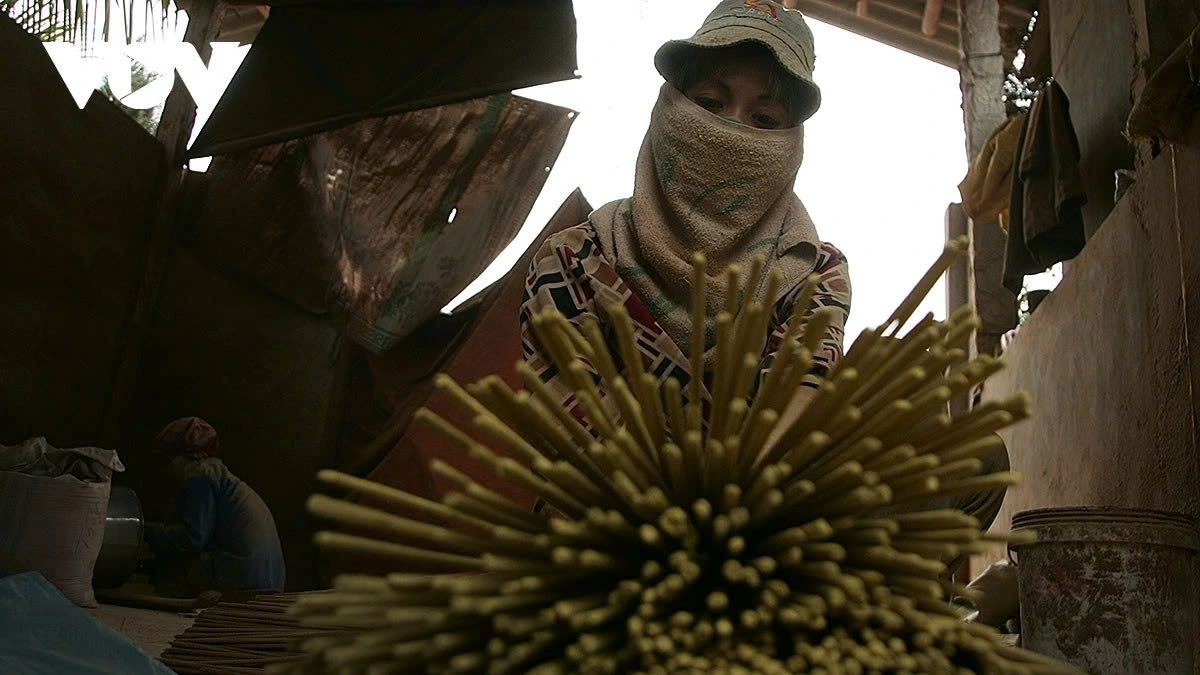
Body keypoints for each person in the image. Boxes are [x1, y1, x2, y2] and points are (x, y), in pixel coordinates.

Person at [520, 0, 850, 439]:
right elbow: (580, 434)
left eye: (764, 118)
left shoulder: (811, 273)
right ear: (669, 108)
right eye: (710, 103)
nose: (731, 128)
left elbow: (796, 406)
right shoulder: (574, 261)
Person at [145, 417, 285, 593]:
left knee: (169, 572)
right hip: (269, 578)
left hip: (243, 576)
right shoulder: (220, 476)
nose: (166, 470)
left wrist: (146, 531)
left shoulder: (199, 475)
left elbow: (192, 539)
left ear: (182, 455)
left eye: (167, 460)